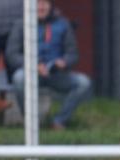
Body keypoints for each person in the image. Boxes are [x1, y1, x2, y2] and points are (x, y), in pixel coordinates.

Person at [7, 0, 91, 129]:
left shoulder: (63, 24)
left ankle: (59, 121)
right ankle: (32, 122)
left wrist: (64, 62)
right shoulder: (21, 24)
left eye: (44, 3)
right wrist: (33, 65)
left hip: (56, 74)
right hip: (31, 73)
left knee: (83, 82)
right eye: (37, 3)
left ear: (50, 5)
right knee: (18, 78)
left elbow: (73, 54)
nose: (41, 7)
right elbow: (12, 54)